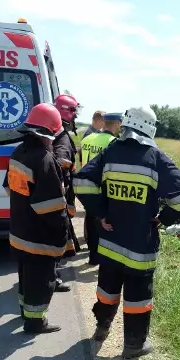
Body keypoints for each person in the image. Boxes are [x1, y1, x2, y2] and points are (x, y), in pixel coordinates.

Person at [73, 105, 180, 359]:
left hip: (110, 241)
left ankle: (101, 329)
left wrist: (101, 212)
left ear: (126, 125)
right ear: (150, 128)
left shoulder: (111, 150)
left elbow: (81, 180)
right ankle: (133, 345)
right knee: (138, 297)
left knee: (107, 288)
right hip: (140, 246)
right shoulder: (155, 158)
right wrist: (164, 219)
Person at [2, 103, 70, 334]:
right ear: (48, 134)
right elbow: (51, 207)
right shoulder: (44, 160)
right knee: (41, 281)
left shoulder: (18, 152)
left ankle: (25, 311)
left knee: (26, 276)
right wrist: (62, 235)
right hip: (38, 237)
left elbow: (9, 188)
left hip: (19, 232)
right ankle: (35, 322)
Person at [80, 112, 123, 265]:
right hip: (102, 188)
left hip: (85, 186)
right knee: (103, 223)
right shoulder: (113, 142)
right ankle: (103, 257)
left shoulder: (87, 139)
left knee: (90, 220)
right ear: (117, 124)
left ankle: (93, 256)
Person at [51, 94, 83, 291]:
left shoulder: (57, 134)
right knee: (56, 238)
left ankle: (52, 274)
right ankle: (51, 278)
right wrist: (61, 183)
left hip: (59, 196)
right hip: (60, 197)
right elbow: (60, 162)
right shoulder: (62, 138)